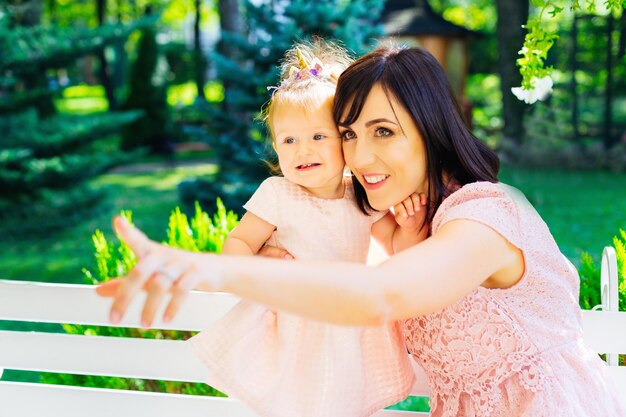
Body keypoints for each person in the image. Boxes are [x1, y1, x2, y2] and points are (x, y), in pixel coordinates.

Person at [98, 44, 626, 416]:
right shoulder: (404, 226)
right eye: (349, 134)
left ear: (432, 129)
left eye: (384, 131)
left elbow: (380, 298)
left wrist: (209, 266)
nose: (361, 156)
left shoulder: (487, 213)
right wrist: (281, 259)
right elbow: (350, 296)